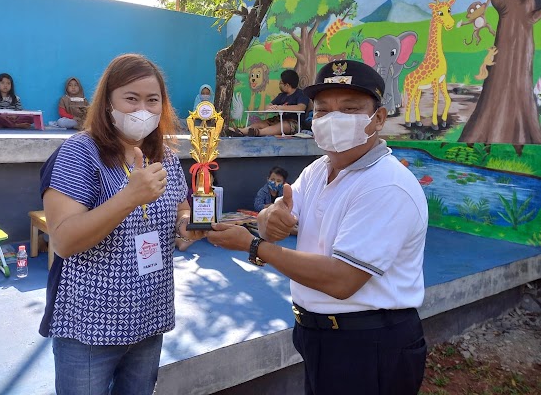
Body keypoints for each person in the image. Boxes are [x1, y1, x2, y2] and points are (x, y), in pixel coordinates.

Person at [208, 60, 428, 395]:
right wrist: (270, 219)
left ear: (378, 119)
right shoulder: (317, 169)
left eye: (350, 109)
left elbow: (342, 279)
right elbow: (277, 212)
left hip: (369, 344)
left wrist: (254, 246)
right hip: (320, 335)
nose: (333, 119)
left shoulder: (386, 185)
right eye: (323, 110)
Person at [38, 53, 206, 395]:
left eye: (152, 100)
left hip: (149, 318)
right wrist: (129, 197)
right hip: (89, 326)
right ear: (107, 102)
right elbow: (65, 241)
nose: (142, 109)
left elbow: (181, 210)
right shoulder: (78, 154)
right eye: (131, 98)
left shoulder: (166, 157)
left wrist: (189, 227)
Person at [229, 69, 309, 137]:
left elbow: (301, 107)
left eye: (281, 83)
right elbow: (268, 106)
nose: (279, 85)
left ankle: (258, 132)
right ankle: (241, 131)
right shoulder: (281, 96)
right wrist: (272, 107)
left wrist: (281, 107)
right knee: (262, 123)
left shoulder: (301, 94)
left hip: (294, 123)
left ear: (287, 85)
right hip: (278, 119)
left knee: (282, 126)